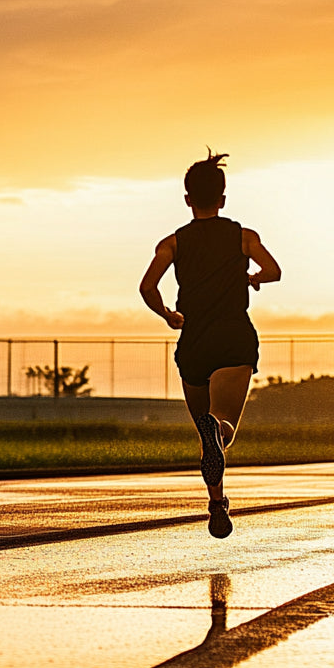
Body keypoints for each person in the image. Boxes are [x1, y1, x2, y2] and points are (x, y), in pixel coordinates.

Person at [138, 151, 281, 538]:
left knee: (205, 432)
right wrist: (254, 278)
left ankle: (217, 503)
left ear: (188, 199)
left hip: (194, 342)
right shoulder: (243, 237)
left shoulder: (172, 243)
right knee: (222, 427)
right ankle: (218, 431)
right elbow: (274, 270)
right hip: (233, 337)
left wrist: (167, 314)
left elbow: (147, 287)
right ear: (223, 198)